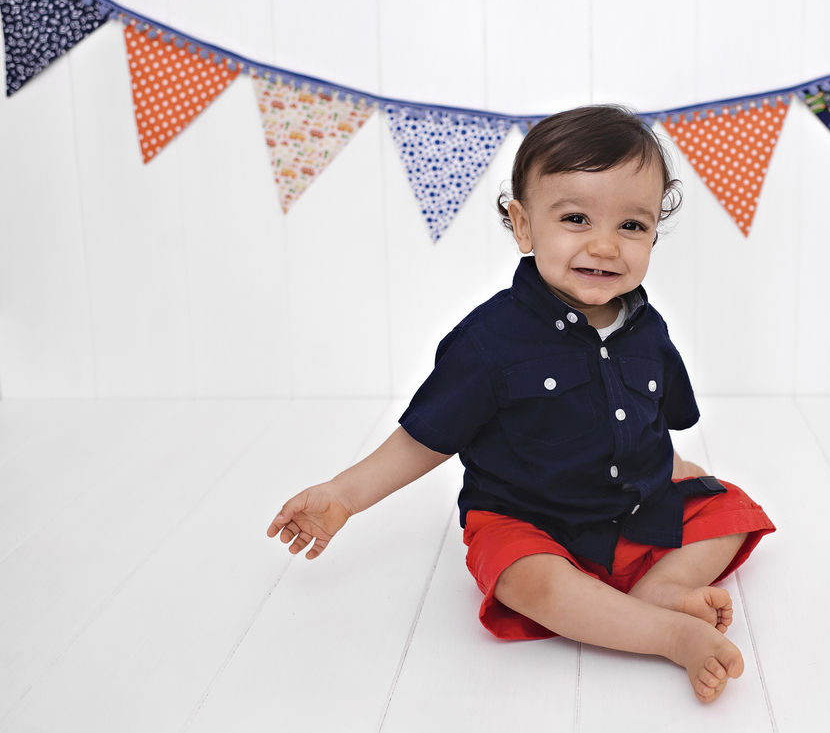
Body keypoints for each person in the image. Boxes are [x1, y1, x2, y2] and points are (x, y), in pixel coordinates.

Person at [266, 105, 774, 703]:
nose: (605, 245)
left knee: (732, 510)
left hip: (627, 510)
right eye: (576, 219)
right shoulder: (490, 341)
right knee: (526, 579)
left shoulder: (648, 330)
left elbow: (653, 422)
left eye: (631, 225)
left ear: (653, 235)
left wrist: (671, 471)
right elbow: (426, 438)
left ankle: (663, 588)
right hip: (528, 519)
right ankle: (664, 633)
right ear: (524, 226)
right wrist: (344, 495)